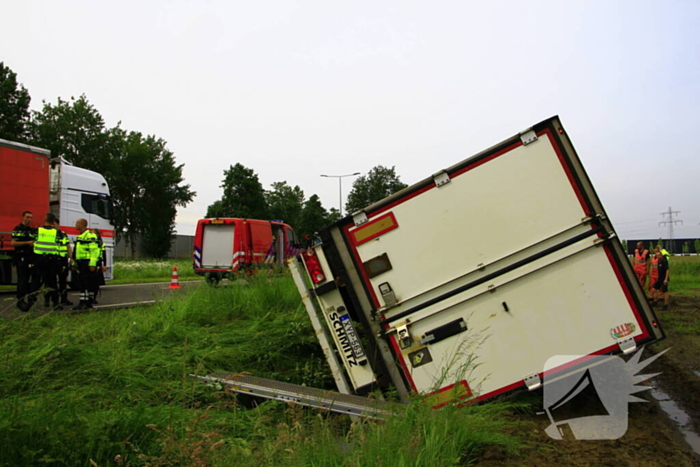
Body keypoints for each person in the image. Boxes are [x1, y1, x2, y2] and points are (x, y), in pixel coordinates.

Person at [30, 213, 61, 310]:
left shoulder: (37, 230)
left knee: (36, 280)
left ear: (45, 220)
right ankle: (55, 303)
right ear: (53, 222)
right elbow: (59, 245)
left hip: (39, 259)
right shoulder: (57, 233)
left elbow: (32, 242)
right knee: (52, 282)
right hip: (51, 260)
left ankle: (30, 301)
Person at [11, 211, 37, 311]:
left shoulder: (31, 230)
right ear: (22, 217)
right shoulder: (18, 229)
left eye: (31, 217)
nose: (29, 219)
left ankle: (29, 298)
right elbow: (13, 243)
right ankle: (20, 300)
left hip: (30, 257)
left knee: (31, 278)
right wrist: (27, 243)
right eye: (27, 217)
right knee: (22, 279)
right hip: (20, 256)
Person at [72, 218, 99, 310]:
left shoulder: (90, 236)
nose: (75, 225)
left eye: (77, 223)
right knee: (82, 283)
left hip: (86, 262)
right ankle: (83, 302)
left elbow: (94, 251)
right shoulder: (80, 236)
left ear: (82, 225)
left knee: (86, 283)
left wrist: (92, 263)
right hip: (80, 262)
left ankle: (86, 303)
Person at [54, 218, 73, 306]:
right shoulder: (49, 234)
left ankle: (64, 298)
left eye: (55, 224)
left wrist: (71, 258)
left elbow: (68, 246)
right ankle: (51, 299)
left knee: (63, 281)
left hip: (62, 260)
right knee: (51, 281)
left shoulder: (63, 234)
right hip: (53, 260)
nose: (53, 226)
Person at [92, 229, 107, 304]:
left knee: (95, 282)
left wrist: (104, 265)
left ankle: (94, 297)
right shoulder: (91, 242)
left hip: (98, 263)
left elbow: (104, 255)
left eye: (93, 233)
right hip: (91, 262)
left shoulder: (101, 243)